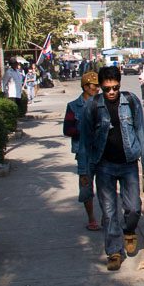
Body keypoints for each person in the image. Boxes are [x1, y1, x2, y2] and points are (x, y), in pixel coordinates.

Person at [78, 66, 144, 271]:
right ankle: (114, 251)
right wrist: (84, 171)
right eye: (107, 89)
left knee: (133, 208)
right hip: (104, 166)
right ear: (101, 88)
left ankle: (129, 230)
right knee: (109, 212)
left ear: (120, 85)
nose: (111, 92)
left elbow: (141, 131)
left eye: (115, 88)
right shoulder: (92, 106)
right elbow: (84, 141)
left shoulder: (131, 102)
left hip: (128, 164)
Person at [64, 71, 102, 231]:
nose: (97, 89)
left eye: (98, 86)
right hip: (84, 153)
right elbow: (67, 129)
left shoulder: (103, 104)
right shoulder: (73, 106)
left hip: (102, 151)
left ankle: (108, 216)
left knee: (106, 186)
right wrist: (84, 129)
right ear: (85, 87)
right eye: (94, 86)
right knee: (86, 187)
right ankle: (91, 218)